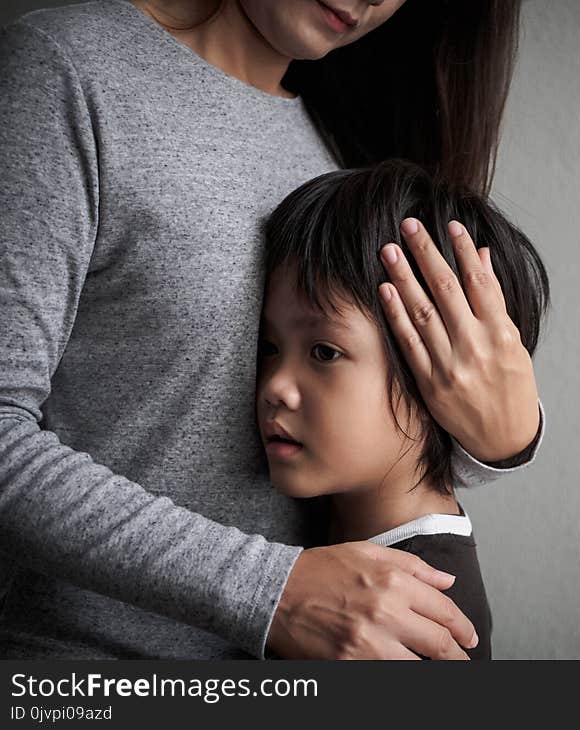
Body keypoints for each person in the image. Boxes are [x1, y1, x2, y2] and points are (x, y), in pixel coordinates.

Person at [0, 0, 544, 660]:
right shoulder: (71, 71)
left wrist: (510, 435)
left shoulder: (355, 140)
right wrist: (271, 591)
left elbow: (390, 413)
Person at [258, 160, 550, 660]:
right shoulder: (348, 537)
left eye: (324, 352)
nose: (274, 387)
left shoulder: (410, 621)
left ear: (440, 365)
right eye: (268, 348)